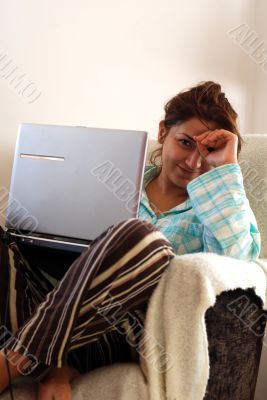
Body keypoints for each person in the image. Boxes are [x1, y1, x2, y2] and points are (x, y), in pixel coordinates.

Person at [0, 81, 260, 400]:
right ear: (163, 132)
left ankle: (15, 360)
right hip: (51, 304)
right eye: (185, 143)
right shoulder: (115, 180)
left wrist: (225, 168)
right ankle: (51, 364)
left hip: (123, 329)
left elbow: (238, 267)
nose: (193, 162)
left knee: (142, 237)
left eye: (206, 151)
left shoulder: (214, 204)